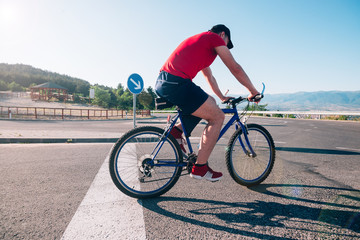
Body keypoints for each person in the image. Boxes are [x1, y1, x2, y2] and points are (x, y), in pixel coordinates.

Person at [155, 24, 261, 182]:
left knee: (210, 102)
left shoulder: (202, 44)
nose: (225, 47)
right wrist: (254, 91)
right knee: (217, 117)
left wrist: (221, 97)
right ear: (222, 35)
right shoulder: (213, 38)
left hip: (166, 81)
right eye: (226, 43)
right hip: (177, 82)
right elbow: (235, 68)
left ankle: (177, 132)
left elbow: (209, 77)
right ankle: (200, 168)